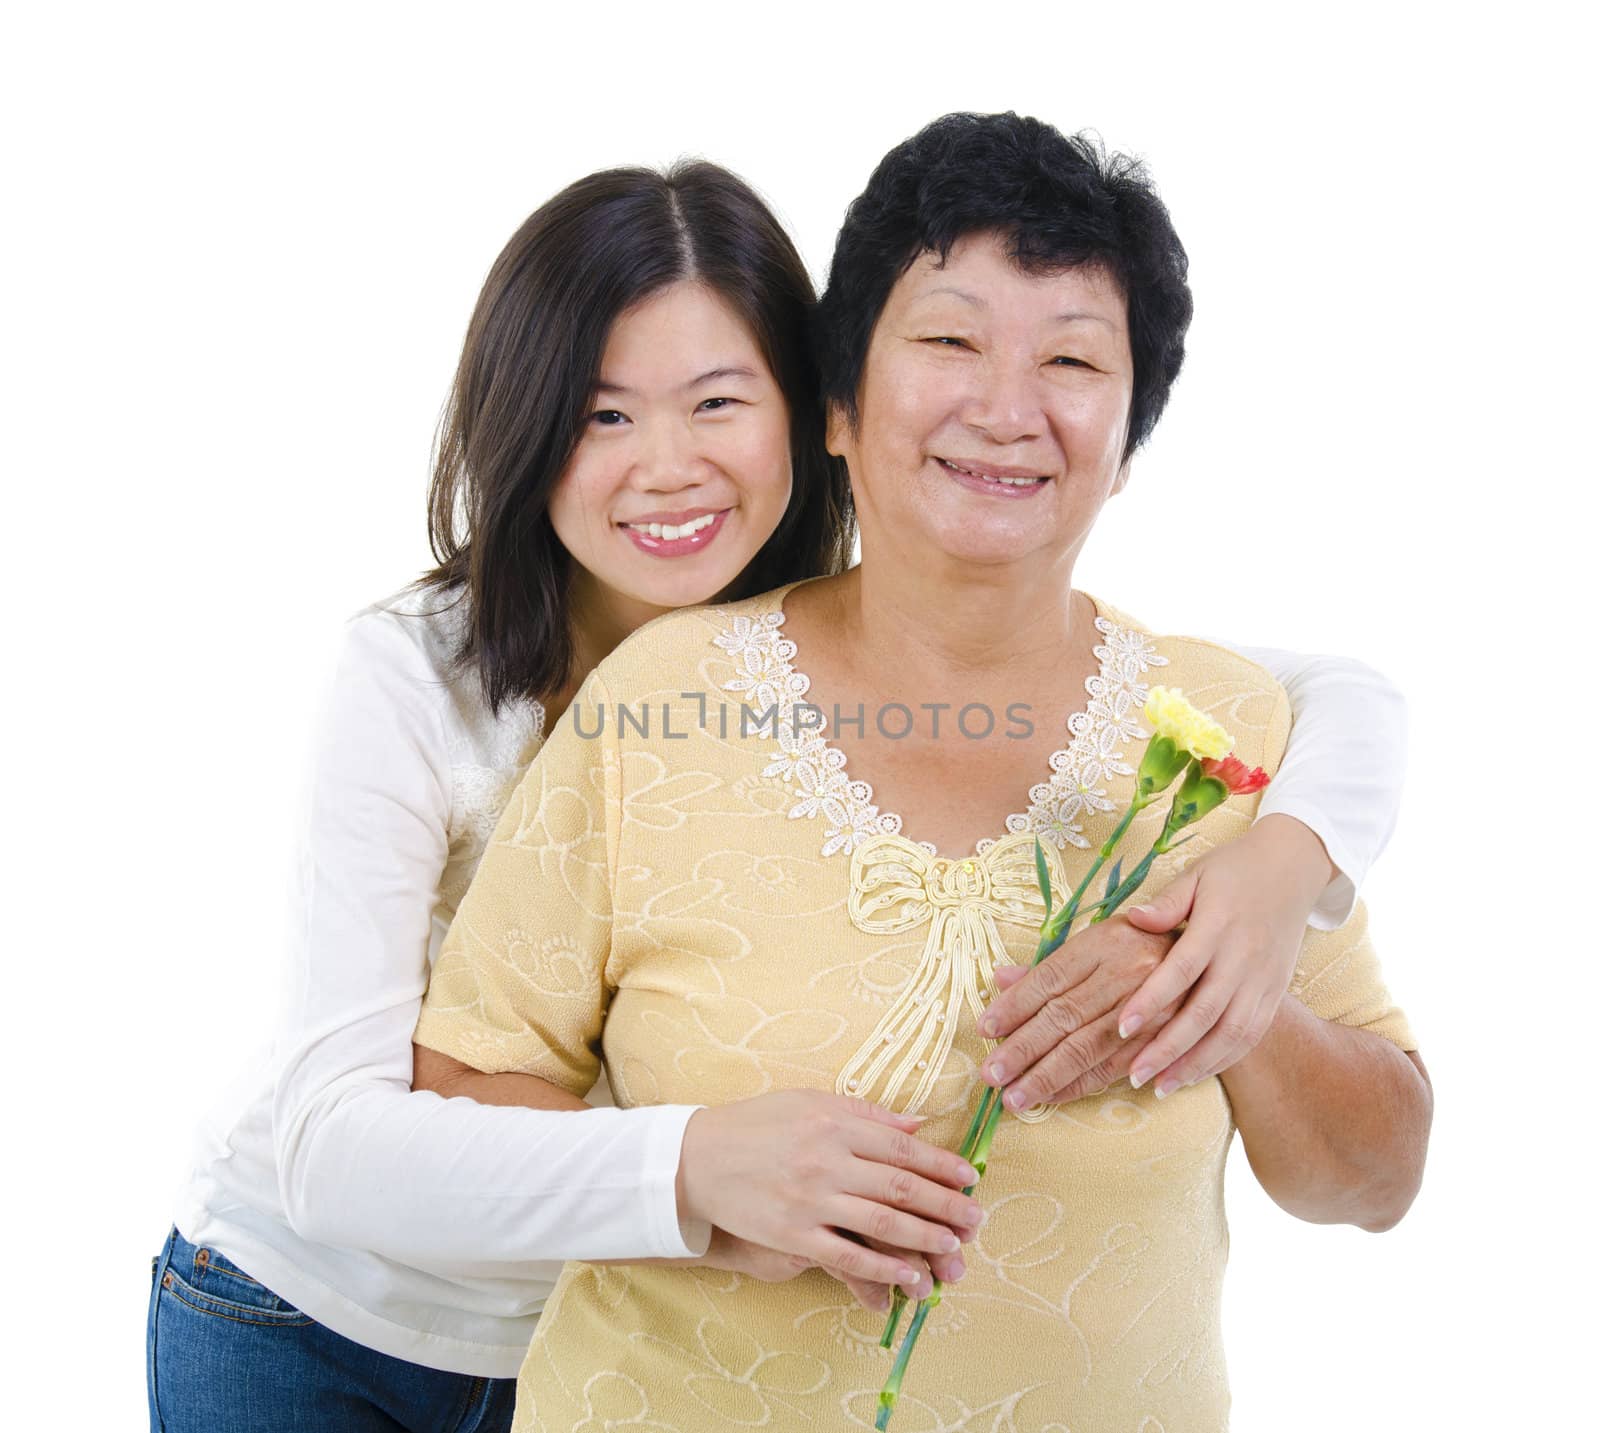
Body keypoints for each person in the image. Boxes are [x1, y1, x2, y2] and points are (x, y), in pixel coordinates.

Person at [150, 156, 1408, 1431]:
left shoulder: (1133, 695)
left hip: (573, 1311)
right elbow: (334, 1147)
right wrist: (695, 1168)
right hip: (323, 1307)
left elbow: (1329, 695)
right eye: (602, 415)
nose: (669, 466)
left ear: (805, 412)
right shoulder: (448, 680)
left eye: (716, 401)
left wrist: (1276, 871)